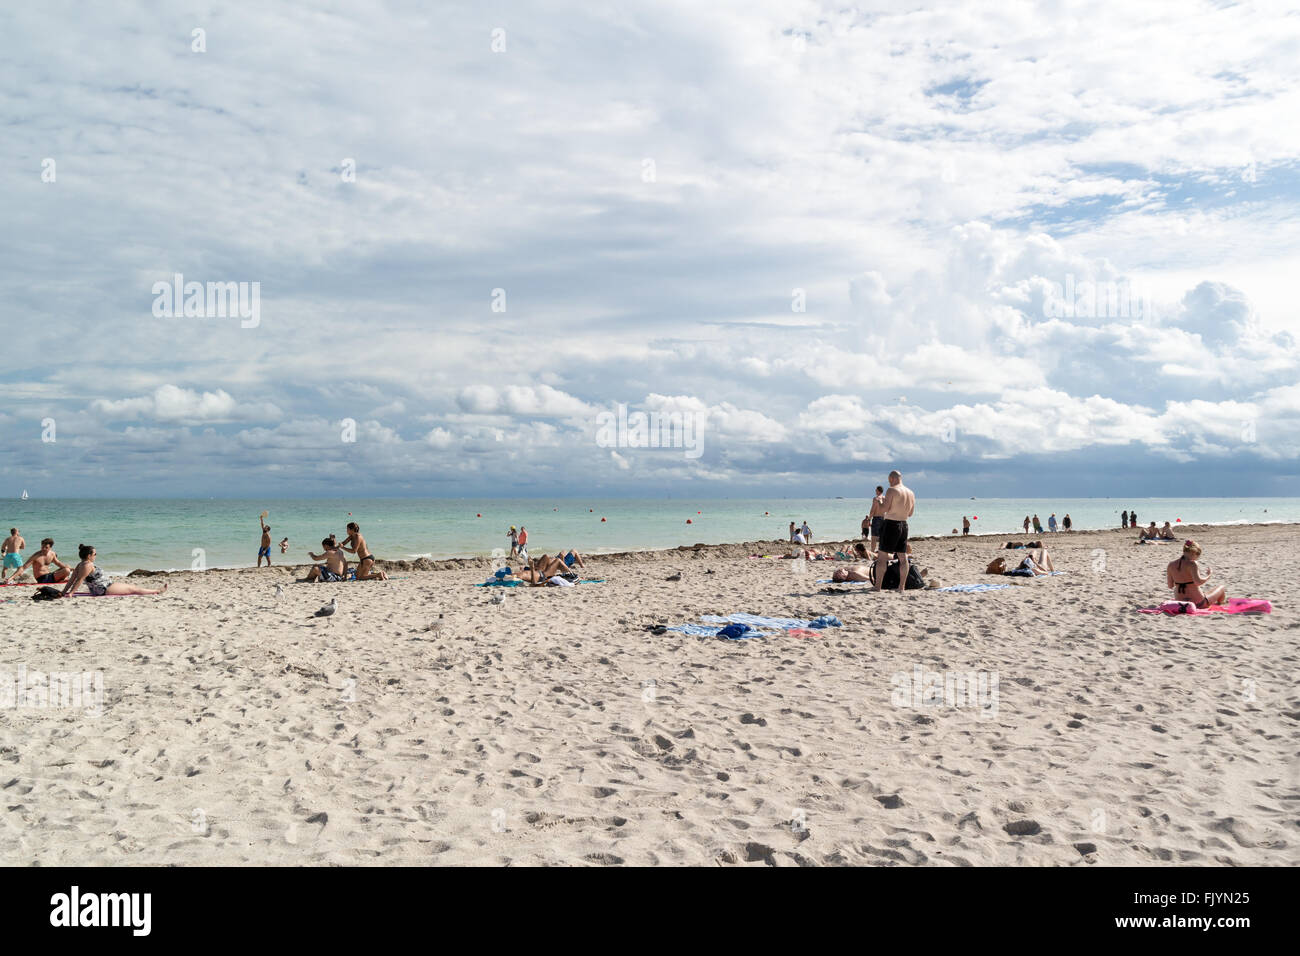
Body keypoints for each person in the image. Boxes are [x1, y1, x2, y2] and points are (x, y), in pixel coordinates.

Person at [61, 544, 166, 596]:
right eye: (94, 554)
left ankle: (155, 590)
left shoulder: (80, 565)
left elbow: (72, 579)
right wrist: (71, 593)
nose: (96, 556)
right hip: (103, 588)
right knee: (132, 589)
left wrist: (64, 592)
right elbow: (79, 580)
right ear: (89, 556)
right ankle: (156, 591)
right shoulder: (87, 565)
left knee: (130, 587)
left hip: (102, 587)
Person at [873, 471, 915, 593]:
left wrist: (879, 501)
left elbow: (884, 509)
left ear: (892, 478)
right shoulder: (910, 492)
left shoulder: (892, 490)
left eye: (889, 479)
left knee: (882, 557)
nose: (889, 482)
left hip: (891, 524)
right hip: (904, 524)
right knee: (903, 557)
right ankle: (901, 587)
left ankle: (877, 587)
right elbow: (910, 513)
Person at [1166, 539, 1226, 609]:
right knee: (1221, 588)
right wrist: (1209, 575)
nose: (1196, 558)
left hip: (1180, 603)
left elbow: (1170, 586)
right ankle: (1220, 604)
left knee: (1207, 593)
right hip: (1198, 603)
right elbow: (1198, 582)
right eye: (1198, 556)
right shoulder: (1192, 563)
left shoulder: (1171, 564)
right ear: (1194, 553)